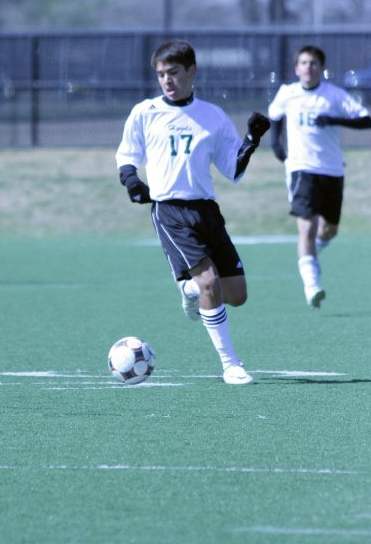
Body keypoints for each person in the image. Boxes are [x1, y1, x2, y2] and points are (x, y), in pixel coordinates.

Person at [116, 40, 270, 385]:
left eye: (173, 72)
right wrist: (132, 182)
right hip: (170, 211)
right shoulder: (145, 112)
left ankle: (188, 291)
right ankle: (231, 364)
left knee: (237, 295)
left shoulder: (212, 116)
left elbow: (234, 170)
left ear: (191, 71)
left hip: (207, 211)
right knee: (209, 282)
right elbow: (127, 154)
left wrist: (252, 139)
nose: (167, 80)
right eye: (161, 74)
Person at [268, 44, 371, 308]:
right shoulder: (287, 93)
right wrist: (277, 145)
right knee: (307, 225)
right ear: (296, 68)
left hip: (332, 169)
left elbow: (366, 120)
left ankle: (311, 256)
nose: (308, 67)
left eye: (313, 63)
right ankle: (311, 284)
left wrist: (334, 120)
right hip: (301, 167)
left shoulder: (334, 96)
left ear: (321, 68)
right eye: (303, 63)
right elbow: (275, 116)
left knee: (329, 230)